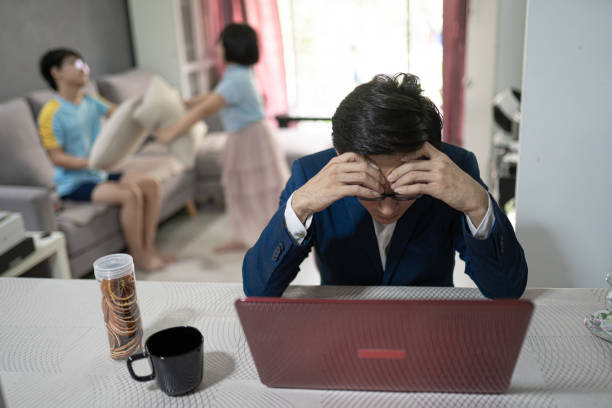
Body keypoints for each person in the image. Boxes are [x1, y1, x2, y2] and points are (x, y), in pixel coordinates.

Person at [242, 73, 528, 298]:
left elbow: (506, 291)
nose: (388, 208)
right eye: (374, 191)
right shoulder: (310, 174)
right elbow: (258, 290)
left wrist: (478, 204)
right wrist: (299, 206)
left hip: (429, 327)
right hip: (341, 328)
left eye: (405, 191)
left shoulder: (455, 169)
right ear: (342, 158)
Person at [156, 23, 289, 252]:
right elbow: (213, 97)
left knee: (252, 190)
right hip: (249, 136)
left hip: (248, 139)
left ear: (231, 47)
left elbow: (204, 110)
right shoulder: (238, 74)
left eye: (219, 43)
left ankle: (261, 237)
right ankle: (245, 234)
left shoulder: (236, 79)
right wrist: (187, 102)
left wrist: (170, 134)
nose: (216, 48)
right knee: (240, 189)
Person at [38, 48, 171, 271]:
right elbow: (56, 157)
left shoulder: (91, 101)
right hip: (74, 183)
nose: (84, 68)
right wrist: (91, 163)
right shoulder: (51, 112)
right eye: (75, 63)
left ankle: (149, 249)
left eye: (84, 62)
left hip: (99, 173)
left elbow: (121, 117)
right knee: (131, 195)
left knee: (151, 184)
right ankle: (138, 257)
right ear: (56, 72)